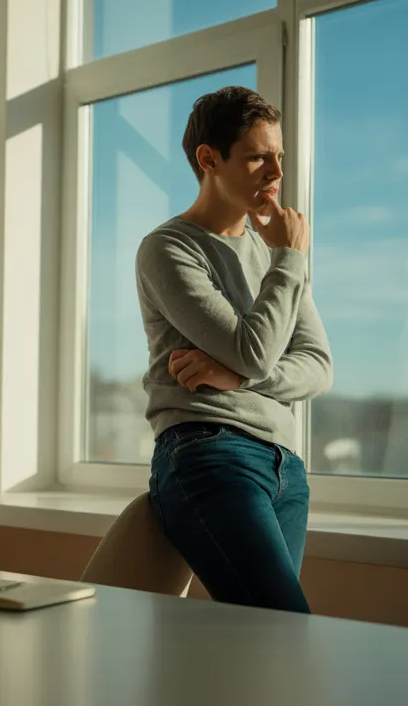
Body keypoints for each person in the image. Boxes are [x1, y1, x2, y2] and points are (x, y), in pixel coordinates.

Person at [135, 85, 332, 614]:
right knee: (287, 629)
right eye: (257, 157)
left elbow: (318, 368)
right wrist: (289, 258)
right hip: (210, 455)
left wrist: (239, 379)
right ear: (208, 159)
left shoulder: (274, 257)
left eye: (279, 157)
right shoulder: (170, 248)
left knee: (266, 656)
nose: (275, 173)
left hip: (287, 468)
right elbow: (254, 352)